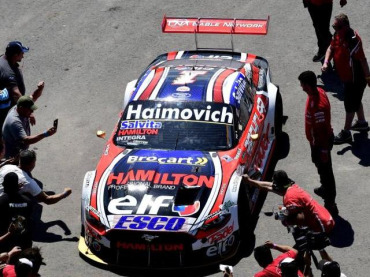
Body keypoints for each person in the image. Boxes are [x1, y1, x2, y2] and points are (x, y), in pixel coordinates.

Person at [322, 13, 370, 144]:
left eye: (337, 27)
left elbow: (363, 60)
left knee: (350, 105)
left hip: (355, 79)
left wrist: (368, 77)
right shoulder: (338, 35)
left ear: (345, 27)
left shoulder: (353, 40)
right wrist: (326, 62)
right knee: (355, 99)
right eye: (334, 27)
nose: (335, 30)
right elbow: (330, 48)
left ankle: (346, 132)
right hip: (345, 77)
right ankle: (362, 123)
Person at [298, 71, 338, 216]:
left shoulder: (318, 106)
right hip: (316, 143)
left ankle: (331, 203)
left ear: (308, 85)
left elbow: (322, 132)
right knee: (321, 169)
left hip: (321, 145)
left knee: (327, 173)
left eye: (302, 84)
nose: (301, 87)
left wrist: (322, 151)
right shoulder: (317, 92)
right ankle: (324, 187)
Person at [243, 170, 334, 234]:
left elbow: (298, 217)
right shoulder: (292, 187)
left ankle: (302, 234)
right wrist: (250, 181)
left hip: (323, 226)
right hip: (327, 218)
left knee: (286, 220)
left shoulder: (289, 198)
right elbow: (268, 187)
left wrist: (280, 215)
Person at [0, 41, 44, 134]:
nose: (23, 56)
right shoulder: (8, 72)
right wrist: (29, 111)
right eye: (22, 53)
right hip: (7, 109)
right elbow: (16, 93)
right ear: (15, 55)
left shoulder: (4, 59)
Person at [0, 150, 72, 205]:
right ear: (32, 163)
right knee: (29, 198)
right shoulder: (28, 182)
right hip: (5, 205)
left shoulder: (6, 166)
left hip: (3, 198)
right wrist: (65, 193)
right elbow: (47, 199)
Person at [0, 173, 33, 252]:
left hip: (5, 243)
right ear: (17, 185)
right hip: (24, 243)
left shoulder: (1, 201)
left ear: (5, 184)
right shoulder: (28, 201)